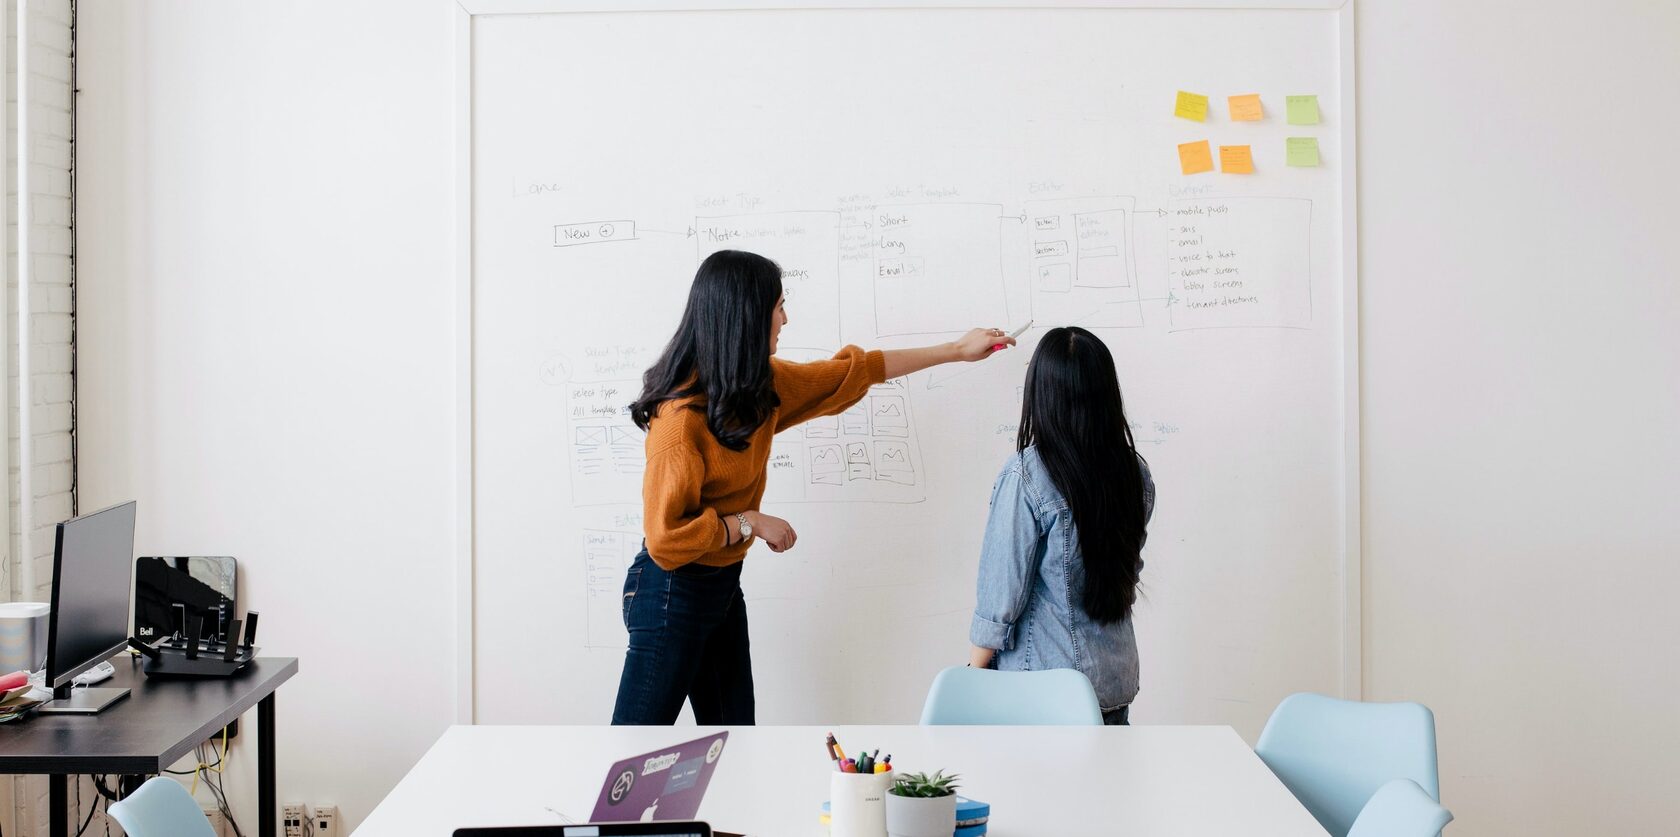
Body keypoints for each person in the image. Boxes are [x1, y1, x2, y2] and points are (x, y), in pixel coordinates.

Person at [613, 249, 1015, 725]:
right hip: (668, 592)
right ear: (746, 316)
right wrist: (748, 522)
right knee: (635, 752)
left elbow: (855, 371)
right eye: (778, 306)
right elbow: (665, 541)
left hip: (720, 587)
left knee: (736, 743)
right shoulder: (679, 423)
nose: (785, 318)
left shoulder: (758, 388)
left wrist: (955, 350)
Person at [968, 326, 1154, 725]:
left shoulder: (1027, 475)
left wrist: (972, 674)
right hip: (1113, 683)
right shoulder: (1133, 472)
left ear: (1041, 392)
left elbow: (1001, 595)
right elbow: (1126, 573)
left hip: (1042, 690)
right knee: (1104, 789)